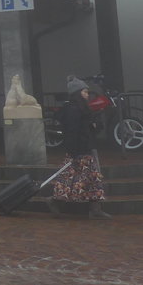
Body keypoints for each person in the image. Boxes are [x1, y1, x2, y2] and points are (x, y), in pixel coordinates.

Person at [48, 75, 112, 219]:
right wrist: (73, 151)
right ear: (77, 93)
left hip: (86, 148)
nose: (87, 95)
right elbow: (73, 131)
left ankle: (94, 207)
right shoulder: (74, 110)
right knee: (71, 179)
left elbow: (88, 128)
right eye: (84, 92)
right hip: (79, 150)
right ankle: (55, 201)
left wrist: (95, 126)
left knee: (92, 178)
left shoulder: (82, 109)